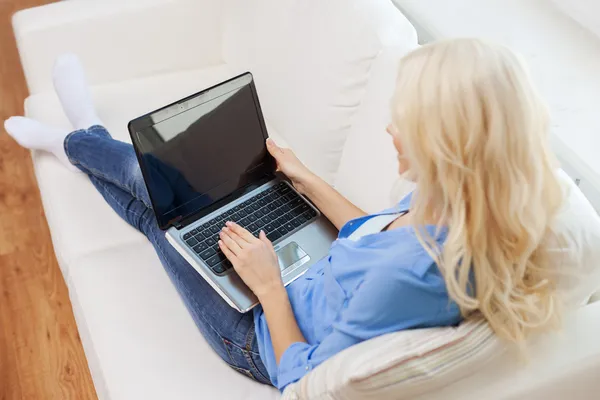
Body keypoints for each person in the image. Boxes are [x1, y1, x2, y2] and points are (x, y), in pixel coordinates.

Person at [4, 38, 566, 391]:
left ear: (446, 144)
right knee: (173, 199)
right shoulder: (460, 206)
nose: (390, 129)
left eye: (406, 122)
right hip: (299, 274)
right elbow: (372, 238)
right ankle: (83, 136)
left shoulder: (411, 279)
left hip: (258, 332)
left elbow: (307, 377)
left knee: (164, 216)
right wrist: (303, 177)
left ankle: (75, 138)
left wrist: (268, 285)